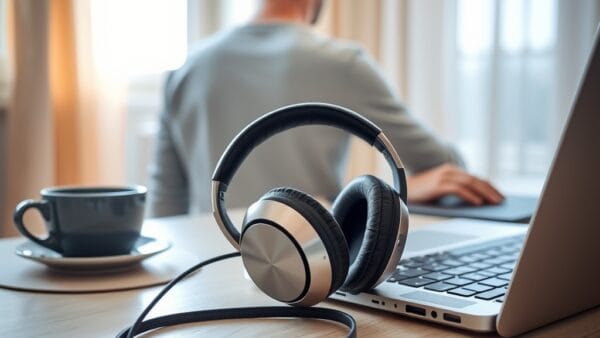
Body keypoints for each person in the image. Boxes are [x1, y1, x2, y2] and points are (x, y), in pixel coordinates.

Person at [147, 0, 503, 217]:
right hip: (308, 264)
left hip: (210, 267)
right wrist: (393, 191)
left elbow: (165, 208)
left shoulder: (185, 70)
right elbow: (450, 171)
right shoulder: (341, 63)